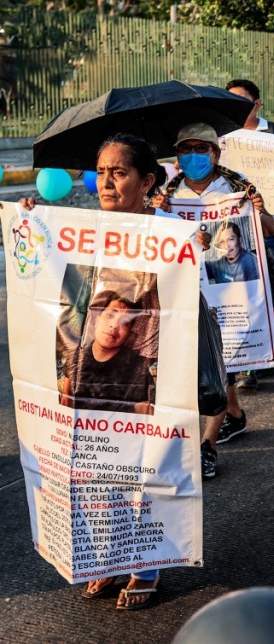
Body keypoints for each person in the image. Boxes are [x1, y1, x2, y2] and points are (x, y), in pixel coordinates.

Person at [24, 134, 170, 609]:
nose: (106, 182)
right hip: (89, 373)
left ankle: (145, 567)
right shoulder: (80, 228)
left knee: (145, 473)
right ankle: (105, 559)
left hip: (151, 376)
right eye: (101, 171)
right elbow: (57, 290)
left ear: (147, 181)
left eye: (119, 172)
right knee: (92, 474)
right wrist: (32, 223)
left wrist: (196, 248)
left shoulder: (168, 232)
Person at [154, 122, 274, 474]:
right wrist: (158, 211)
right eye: (185, 149)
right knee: (208, 365)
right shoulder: (166, 191)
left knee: (217, 364)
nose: (193, 155)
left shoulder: (237, 185)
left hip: (230, 293)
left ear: (215, 153)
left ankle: (207, 445)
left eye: (200, 148)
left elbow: (267, 230)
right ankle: (235, 414)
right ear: (177, 156)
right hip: (184, 289)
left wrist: (257, 208)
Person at [225, 79, 274, 391]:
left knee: (259, 291)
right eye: (231, 102)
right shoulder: (222, 136)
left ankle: (259, 357)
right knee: (236, 292)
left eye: (243, 101)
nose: (237, 108)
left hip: (268, 225)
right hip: (229, 225)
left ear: (258, 103)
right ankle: (248, 364)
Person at [59, 291, 155, 415]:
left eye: (125, 322)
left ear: (129, 333)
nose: (114, 325)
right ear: (97, 320)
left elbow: (144, 409)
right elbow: (67, 393)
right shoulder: (76, 355)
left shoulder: (139, 366)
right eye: (110, 315)